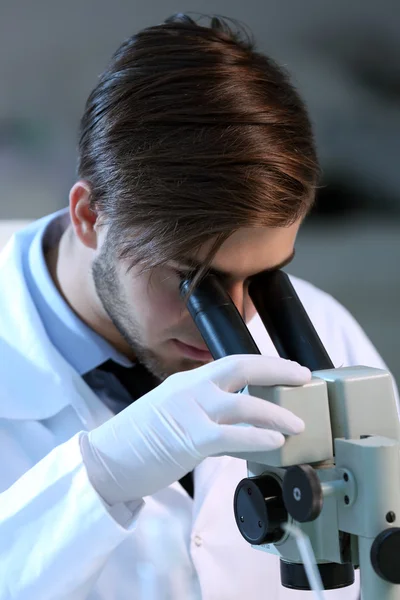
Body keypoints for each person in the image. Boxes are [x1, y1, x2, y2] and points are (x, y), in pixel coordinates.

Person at [0, 13, 396, 600]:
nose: (234, 323)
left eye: (264, 278)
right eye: (195, 281)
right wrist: (102, 475)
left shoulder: (327, 332)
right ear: (89, 216)